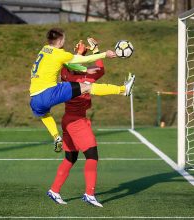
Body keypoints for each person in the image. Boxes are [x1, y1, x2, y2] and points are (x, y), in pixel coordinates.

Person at [47, 39, 135, 207]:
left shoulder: (65, 73)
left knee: (70, 158)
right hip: (77, 121)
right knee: (92, 156)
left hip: (68, 120)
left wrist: (81, 53)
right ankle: (89, 194)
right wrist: (95, 50)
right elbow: (100, 69)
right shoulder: (87, 76)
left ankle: (54, 190)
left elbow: (73, 63)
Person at [29, 28, 135, 152]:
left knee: (44, 114)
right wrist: (104, 54)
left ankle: (56, 137)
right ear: (60, 40)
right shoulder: (61, 54)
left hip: (34, 98)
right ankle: (123, 90)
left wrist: (84, 70)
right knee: (87, 87)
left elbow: (66, 63)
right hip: (50, 91)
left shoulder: (44, 50)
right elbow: (83, 60)